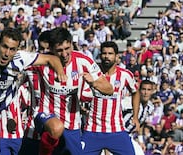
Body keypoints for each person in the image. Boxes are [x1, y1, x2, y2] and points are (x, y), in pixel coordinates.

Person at [19, 27, 114, 155]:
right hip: (43, 116)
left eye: (67, 48)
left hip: (71, 124)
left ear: (71, 44)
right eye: (59, 50)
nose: (64, 54)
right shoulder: (40, 63)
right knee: (56, 127)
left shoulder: (83, 61)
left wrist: (93, 82)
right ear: (51, 49)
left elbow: (109, 89)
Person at [82, 41, 140, 155]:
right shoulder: (91, 74)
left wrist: (136, 117)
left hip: (116, 130)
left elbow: (135, 92)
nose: (107, 56)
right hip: (92, 131)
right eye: (104, 53)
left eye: (110, 53)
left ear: (117, 56)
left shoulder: (125, 75)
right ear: (100, 55)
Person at [123, 80, 155, 155]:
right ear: (139, 91)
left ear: (152, 91)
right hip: (118, 134)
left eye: (148, 90)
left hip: (129, 136)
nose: (146, 93)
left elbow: (141, 124)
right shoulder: (128, 101)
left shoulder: (150, 107)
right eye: (143, 89)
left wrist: (140, 140)